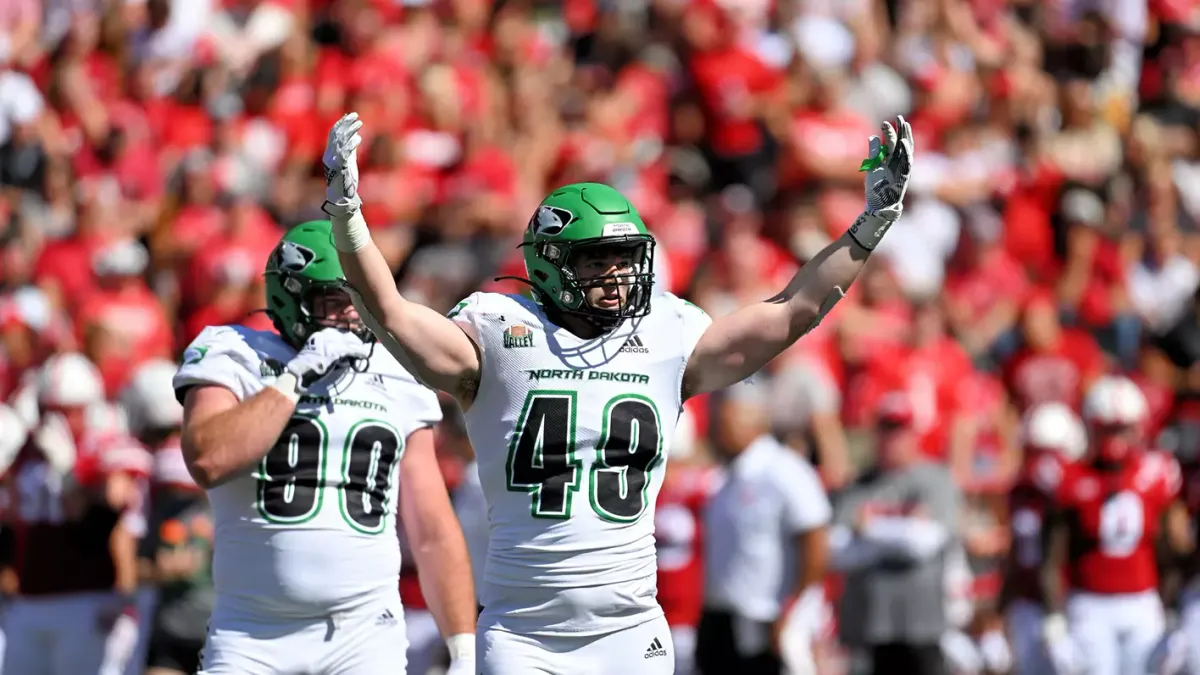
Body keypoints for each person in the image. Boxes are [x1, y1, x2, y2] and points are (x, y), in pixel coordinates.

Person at [322, 108, 913, 674]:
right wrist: (347, 216)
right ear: (550, 263)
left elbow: (791, 311)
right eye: (597, 261)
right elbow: (390, 313)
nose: (617, 275)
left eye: (626, 259)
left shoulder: (666, 335)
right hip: (524, 632)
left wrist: (871, 224)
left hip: (629, 631)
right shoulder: (499, 332)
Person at [172, 220, 478, 675]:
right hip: (253, 632)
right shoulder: (235, 352)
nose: (353, 315)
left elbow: (431, 527)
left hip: (364, 634)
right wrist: (293, 378)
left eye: (360, 299)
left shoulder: (396, 369)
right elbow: (208, 459)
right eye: (335, 301)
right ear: (290, 298)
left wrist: (463, 650)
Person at [1039, 375, 1191, 675]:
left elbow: (1170, 550)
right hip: (1090, 604)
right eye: (1107, 428)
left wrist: (1173, 609)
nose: (1115, 438)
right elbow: (1052, 556)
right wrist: (1054, 619)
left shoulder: (1157, 473)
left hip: (1142, 602)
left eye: (1122, 428)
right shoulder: (1070, 477)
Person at [828, 392, 962, 675]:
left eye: (899, 430)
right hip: (868, 623)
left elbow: (924, 542)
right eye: (886, 430)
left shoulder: (935, 479)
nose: (892, 440)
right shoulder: (858, 486)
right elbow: (838, 550)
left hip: (921, 622)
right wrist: (902, 530)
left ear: (913, 434)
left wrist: (869, 530)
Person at [998, 402, 1085, 675]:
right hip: (1026, 603)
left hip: (1070, 604)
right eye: (1036, 452)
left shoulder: (1079, 493)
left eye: (1051, 453)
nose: (1043, 463)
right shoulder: (1019, 492)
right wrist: (1002, 606)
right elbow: (1015, 552)